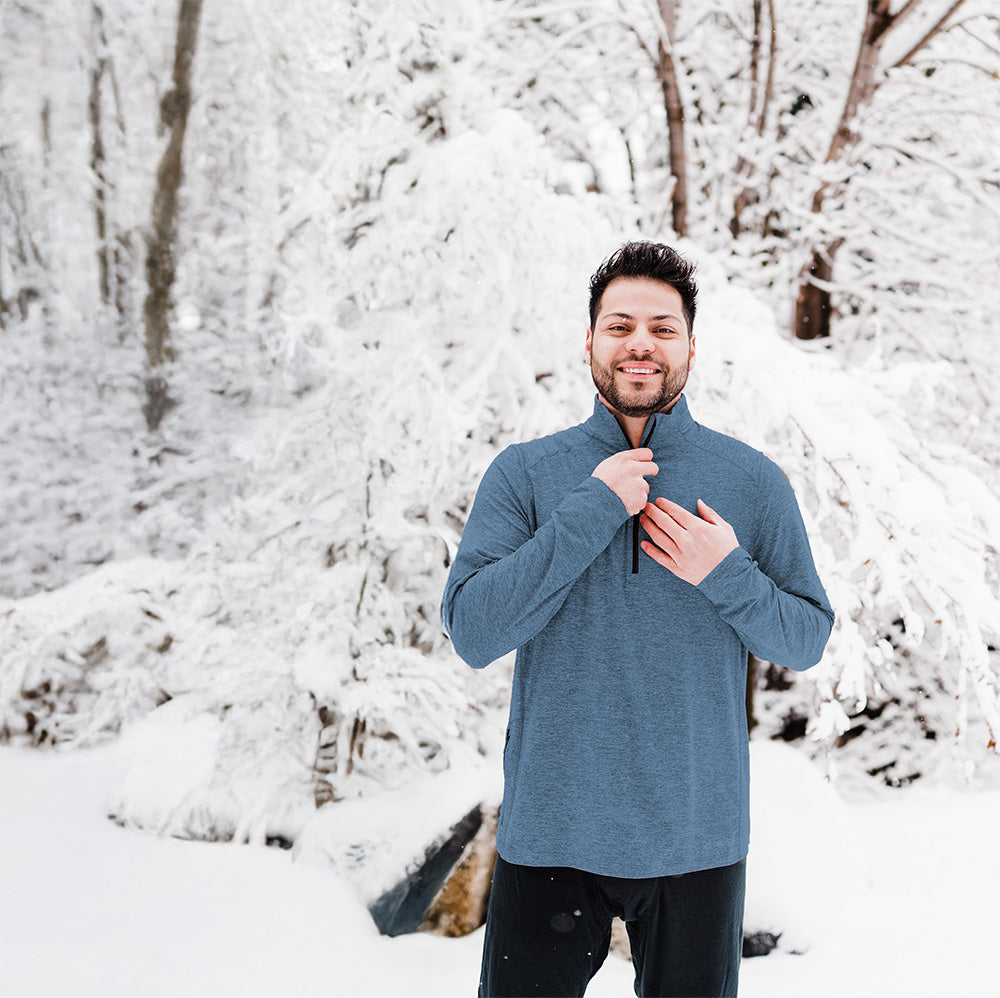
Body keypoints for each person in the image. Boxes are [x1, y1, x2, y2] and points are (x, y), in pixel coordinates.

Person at [441, 241, 834, 998]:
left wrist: (727, 575)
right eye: (620, 326)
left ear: (691, 346)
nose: (640, 344)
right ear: (590, 342)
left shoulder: (751, 482)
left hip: (697, 837)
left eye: (662, 327)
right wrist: (590, 511)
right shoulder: (525, 474)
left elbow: (806, 638)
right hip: (551, 832)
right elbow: (474, 632)